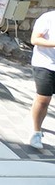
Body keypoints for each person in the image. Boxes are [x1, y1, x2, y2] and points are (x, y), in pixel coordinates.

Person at [29, 10, 55, 150]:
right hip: (45, 64)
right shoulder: (48, 18)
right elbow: (35, 39)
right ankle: (36, 132)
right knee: (44, 99)